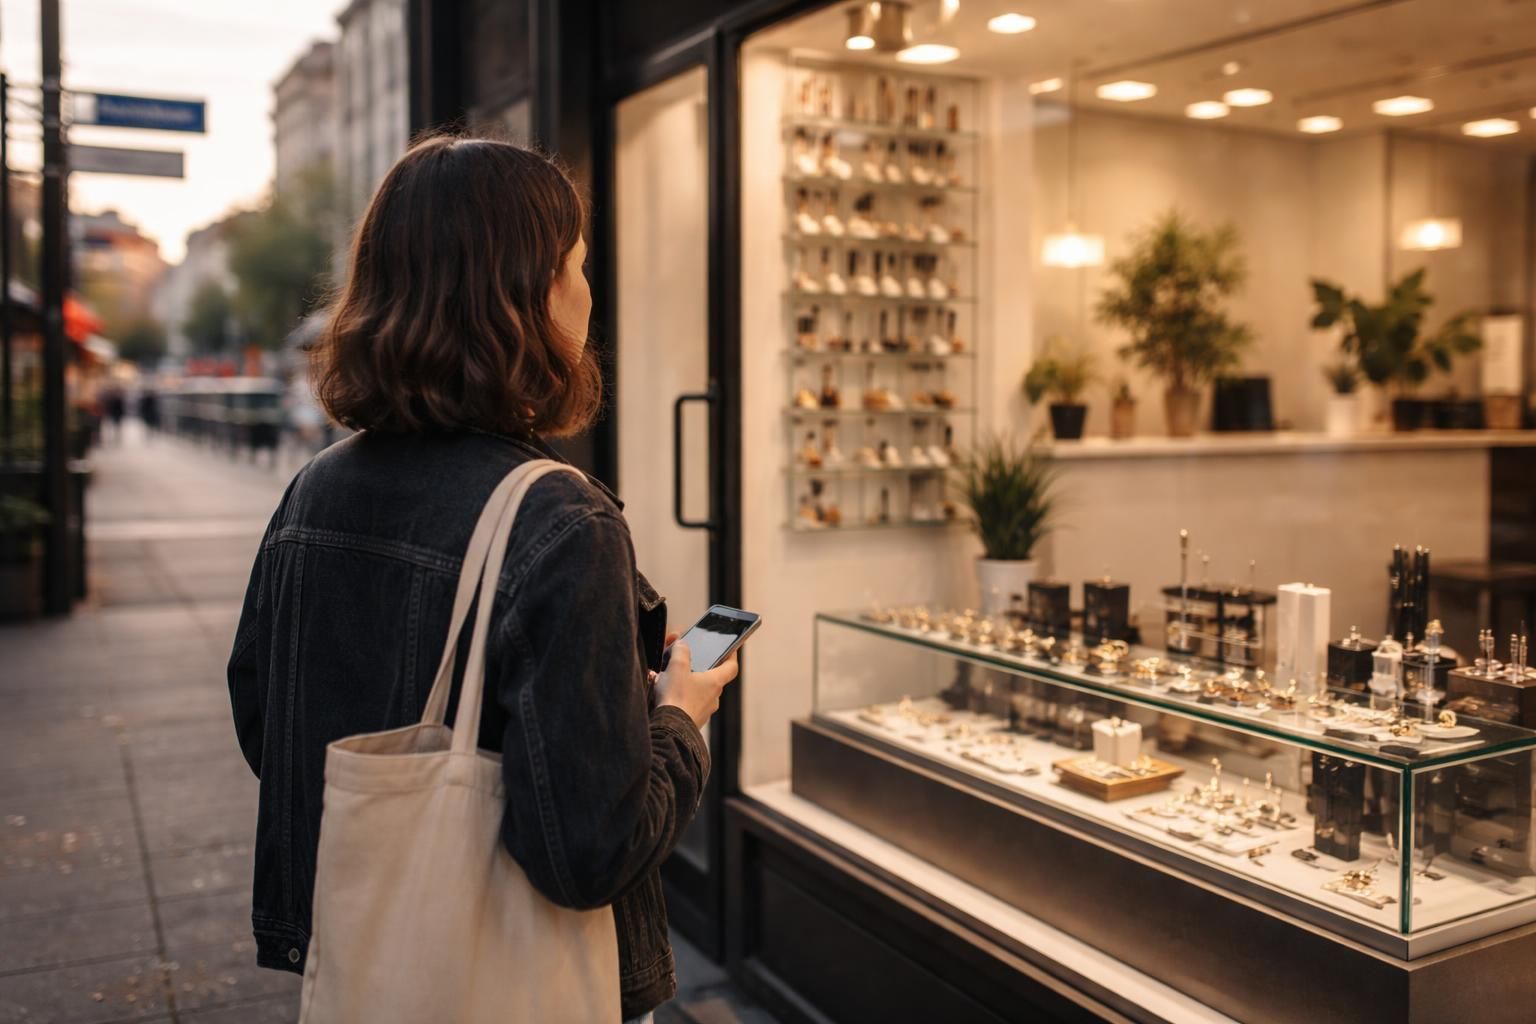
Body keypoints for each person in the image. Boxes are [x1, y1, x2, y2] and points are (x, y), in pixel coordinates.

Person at [226, 136, 738, 1024]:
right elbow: (590, 852)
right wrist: (678, 721)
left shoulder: (316, 489)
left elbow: (264, 717)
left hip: (365, 959)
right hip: (519, 981)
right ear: (524, 294)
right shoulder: (558, 518)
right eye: (575, 265)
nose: (588, 290)